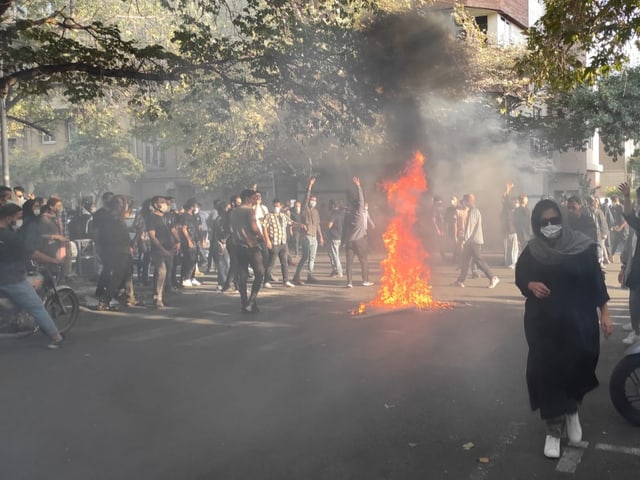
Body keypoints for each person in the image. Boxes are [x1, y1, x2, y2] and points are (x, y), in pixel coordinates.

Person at [515, 199, 612, 459]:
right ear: (537, 224)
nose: (549, 226)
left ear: (562, 220)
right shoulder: (533, 249)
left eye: (554, 220)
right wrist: (531, 284)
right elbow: (520, 276)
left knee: (574, 367)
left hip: (578, 321)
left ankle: (572, 412)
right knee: (546, 372)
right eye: (544, 222)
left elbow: (596, 280)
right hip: (543, 324)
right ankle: (553, 431)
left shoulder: (581, 246)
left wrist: (605, 313)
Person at [0, 204, 64, 349]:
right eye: (18, 217)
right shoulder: (11, 237)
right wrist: (53, 260)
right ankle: (56, 337)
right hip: (11, 279)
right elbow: (33, 253)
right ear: (9, 218)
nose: (19, 220)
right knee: (36, 307)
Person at [229, 189, 265, 313]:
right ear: (247, 198)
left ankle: (244, 302)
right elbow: (254, 227)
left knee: (242, 276)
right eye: (253, 197)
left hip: (238, 246)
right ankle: (252, 300)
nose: (255, 200)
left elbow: (233, 228)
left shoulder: (233, 211)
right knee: (259, 273)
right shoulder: (250, 211)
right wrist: (261, 237)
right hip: (252, 246)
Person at [453, 193, 499, 288]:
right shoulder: (473, 211)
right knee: (465, 261)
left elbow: (470, 228)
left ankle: (493, 277)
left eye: (465, 201)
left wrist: (463, 241)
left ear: (467, 201)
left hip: (473, 242)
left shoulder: (473, 212)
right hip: (471, 241)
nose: (464, 203)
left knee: (479, 261)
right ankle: (460, 281)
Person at [147, 196, 180, 308]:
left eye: (166, 202)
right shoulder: (151, 218)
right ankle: (158, 297)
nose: (165, 204)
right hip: (158, 250)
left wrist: (177, 241)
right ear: (156, 205)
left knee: (167, 273)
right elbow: (152, 236)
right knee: (162, 272)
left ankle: (161, 294)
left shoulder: (167, 217)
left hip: (170, 249)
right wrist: (162, 250)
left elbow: (173, 230)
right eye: (162, 202)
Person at [617, 182, 640, 345]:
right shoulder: (637, 216)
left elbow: (629, 217)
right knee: (634, 298)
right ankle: (636, 328)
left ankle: (637, 330)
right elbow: (629, 216)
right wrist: (626, 196)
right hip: (636, 265)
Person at [342, 177, 373, 288]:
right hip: (359, 240)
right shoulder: (359, 214)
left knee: (349, 263)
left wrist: (343, 241)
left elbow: (344, 229)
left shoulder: (348, 215)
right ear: (358, 207)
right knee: (364, 261)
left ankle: (349, 282)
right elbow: (361, 200)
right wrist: (358, 186)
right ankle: (365, 280)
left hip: (349, 242)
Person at [292, 178, 324, 285]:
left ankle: (310, 275)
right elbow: (305, 199)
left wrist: (321, 236)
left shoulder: (316, 212)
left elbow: (318, 225)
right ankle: (296, 276)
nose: (313, 202)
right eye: (312, 200)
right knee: (305, 257)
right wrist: (309, 186)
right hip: (306, 236)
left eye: (315, 200)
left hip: (314, 237)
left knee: (312, 257)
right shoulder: (305, 209)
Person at [262, 198, 295, 288]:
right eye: (275, 206)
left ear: (281, 206)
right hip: (274, 242)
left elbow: (291, 222)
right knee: (271, 262)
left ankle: (286, 280)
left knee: (284, 262)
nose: (276, 207)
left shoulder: (283, 216)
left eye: (278, 205)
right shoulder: (268, 216)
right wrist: (267, 240)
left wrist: (300, 225)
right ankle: (266, 281)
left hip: (283, 242)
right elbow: (264, 227)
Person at [326, 199, 345, 278]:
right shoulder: (341, 213)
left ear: (333, 205)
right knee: (332, 254)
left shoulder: (334, 214)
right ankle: (335, 270)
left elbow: (329, 225)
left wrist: (323, 223)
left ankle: (339, 271)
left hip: (333, 236)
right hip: (339, 236)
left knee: (334, 255)